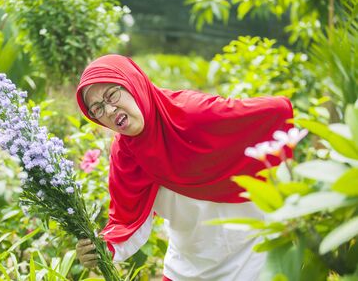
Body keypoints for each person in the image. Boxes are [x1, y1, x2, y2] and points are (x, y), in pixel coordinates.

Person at [74, 54, 293, 281]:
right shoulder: (126, 155)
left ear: (134, 82)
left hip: (252, 254)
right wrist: (98, 250)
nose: (109, 110)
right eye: (97, 108)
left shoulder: (193, 114)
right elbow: (125, 221)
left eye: (112, 95)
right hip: (189, 267)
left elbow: (278, 112)